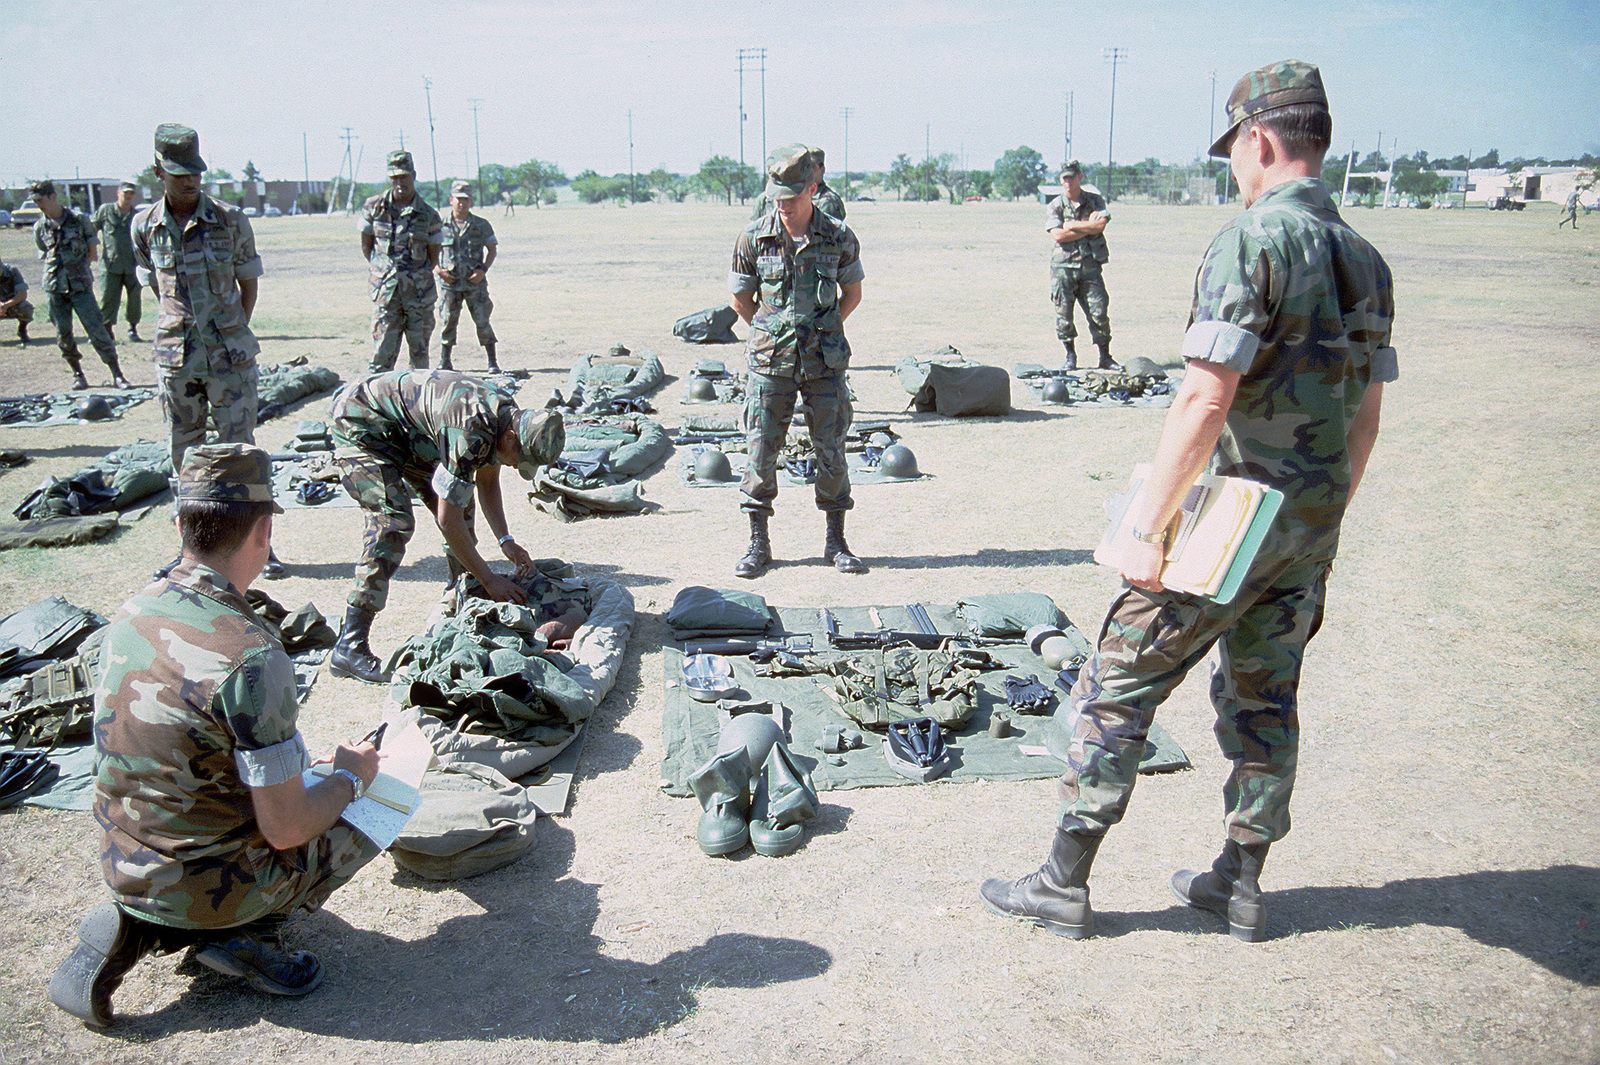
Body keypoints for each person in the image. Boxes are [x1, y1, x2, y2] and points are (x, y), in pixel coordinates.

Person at [980, 60, 1396, 942]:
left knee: (1117, 685)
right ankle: (1239, 884)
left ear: (1260, 140)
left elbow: (1203, 398)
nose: (1234, 169)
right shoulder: (1367, 258)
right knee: (1265, 699)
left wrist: (1144, 527)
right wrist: (1323, 521)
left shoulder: (1253, 241)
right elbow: (1366, 414)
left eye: (1236, 150)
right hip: (1307, 525)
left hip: (1229, 525)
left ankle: (1062, 882)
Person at [48, 444, 383, 1028]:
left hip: (125, 853)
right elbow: (287, 829)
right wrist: (354, 777)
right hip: (211, 876)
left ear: (180, 523)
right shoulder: (249, 654)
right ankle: (243, 934)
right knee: (371, 803)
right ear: (264, 530)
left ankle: (141, 922)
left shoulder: (131, 612)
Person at [325, 369, 566, 683]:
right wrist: (490, 578)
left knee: (461, 503)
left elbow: (488, 481)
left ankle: (460, 593)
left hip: (404, 431)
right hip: (361, 424)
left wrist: (505, 540)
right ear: (511, 438)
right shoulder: (470, 429)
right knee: (392, 522)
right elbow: (446, 520)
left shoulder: (507, 416)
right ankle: (350, 646)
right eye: (518, 458)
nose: (513, 465)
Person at [132, 123, 285, 580]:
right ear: (158, 171)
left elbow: (248, 283)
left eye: (195, 172)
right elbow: (153, 287)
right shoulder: (144, 226)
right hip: (176, 360)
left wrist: (232, 331)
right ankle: (191, 549)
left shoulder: (231, 219)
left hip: (229, 358)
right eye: (179, 173)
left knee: (241, 453)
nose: (190, 180)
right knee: (185, 455)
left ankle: (258, 546)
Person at [728, 143, 866, 579]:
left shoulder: (838, 235)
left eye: (791, 197)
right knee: (761, 450)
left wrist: (822, 330)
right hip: (771, 364)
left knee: (832, 449)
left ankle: (836, 541)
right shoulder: (754, 236)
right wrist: (772, 332)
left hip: (824, 364)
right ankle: (758, 544)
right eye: (777, 198)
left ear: (812, 188)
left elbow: (853, 294)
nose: (783, 207)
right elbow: (740, 300)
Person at [30, 180, 131, 390]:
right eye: (35, 201)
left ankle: (117, 374)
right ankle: (78, 375)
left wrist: (80, 267)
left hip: (80, 287)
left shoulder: (78, 220)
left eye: (41, 200)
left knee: (97, 331)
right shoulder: (40, 226)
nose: (38, 204)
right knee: (63, 335)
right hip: (54, 287)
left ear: (52, 196)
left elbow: (92, 248)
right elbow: (43, 251)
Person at [360, 150, 442, 372]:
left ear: (414, 175)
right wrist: (384, 273)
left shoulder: (429, 215)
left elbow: (434, 256)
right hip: (387, 297)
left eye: (404, 176)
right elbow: (367, 247)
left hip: (418, 297)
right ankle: (378, 404)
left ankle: (416, 403)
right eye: (394, 177)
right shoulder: (374, 208)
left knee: (420, 357)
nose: (399, 182)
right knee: (381, 357)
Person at [1046, 161, 1118, 372]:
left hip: (1090, 267)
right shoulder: (1055, 205)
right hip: (1063, 268)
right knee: (1064, 314)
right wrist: (1089, 227)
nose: (1068, 182)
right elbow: (1058, 234)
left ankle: (1105, 356)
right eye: (1064, 178)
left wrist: (1072, 225)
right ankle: (1070, 356)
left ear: (1080, 177)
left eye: (1072, 177)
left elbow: (1101, 225)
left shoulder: (1094, 200)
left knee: (1099, 312)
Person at [435, 180, 499, 372]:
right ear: (450, 200)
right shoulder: (439, 225)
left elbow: (492, 250)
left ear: (471, 202)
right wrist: (438, 270)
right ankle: (445, 361)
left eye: (466, 200)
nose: (461, 203)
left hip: (474, 284)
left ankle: (492, 362)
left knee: (482, 321)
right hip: (450, 284)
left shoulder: (481, 225)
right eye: (458, 199)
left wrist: (483, 270)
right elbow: (429, 250)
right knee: (448, 322)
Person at [92, 180, 143, 342]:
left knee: (134, 298)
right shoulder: (105, 211)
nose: (128, 196)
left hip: (133, 265)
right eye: (125, 192)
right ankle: (107, 330)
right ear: (118, 193)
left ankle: (132, 329)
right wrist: (89, 252)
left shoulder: (137, 216)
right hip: (110, 265)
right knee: (108, 298)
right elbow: (92, 230)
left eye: (131, 193)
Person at [749, 145, 846, 222]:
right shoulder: (766, 198)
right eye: (801, 168)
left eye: (811, 167)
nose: (806, 172)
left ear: (822, 169)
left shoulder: (829, 201)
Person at [0, 253, 33, 344]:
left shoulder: (12, 271)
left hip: (11, 304)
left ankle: (22, 330)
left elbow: (22, 294)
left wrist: (6, 305)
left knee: (26, 307)